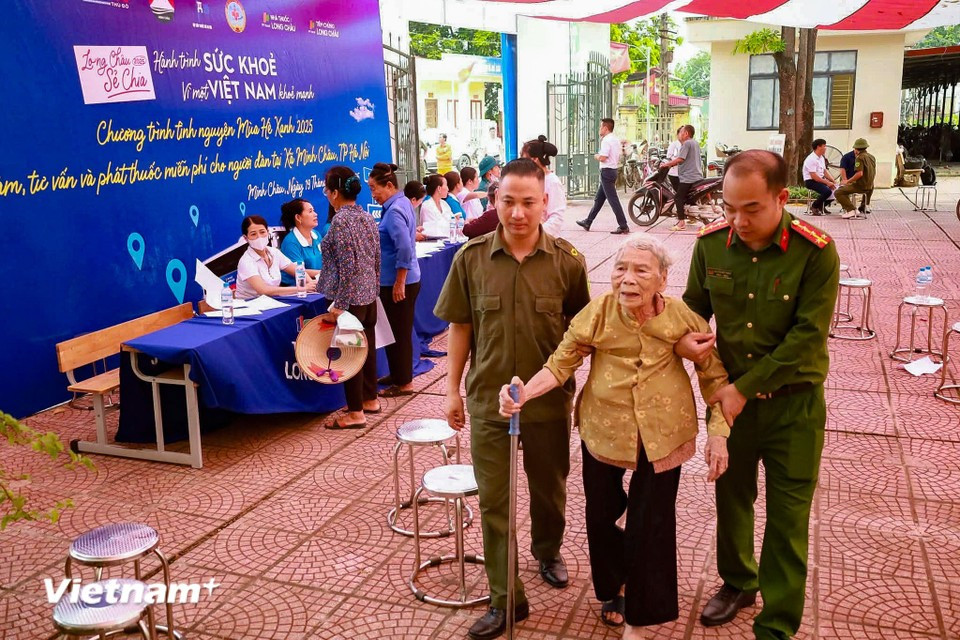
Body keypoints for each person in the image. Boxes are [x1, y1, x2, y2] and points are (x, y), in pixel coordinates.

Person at [499, 233, 733, 640]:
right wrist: (522, 394)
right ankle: (614, 589)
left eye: (641, 270)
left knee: (650, 524)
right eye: (620, 268)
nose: (627, 279)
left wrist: (719, 434)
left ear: (662, 279)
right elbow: (560, 363)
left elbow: (715, 377)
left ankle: (641, 618)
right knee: (601, 516)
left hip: (664, 432)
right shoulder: (599, 312)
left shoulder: (683, 318)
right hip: (603, 429)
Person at [678, 150, 839, 640]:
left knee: (789, 518)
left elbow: (806, 338)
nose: (737, 220)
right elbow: (692, 309)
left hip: (794, 407)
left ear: (781, 197)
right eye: (728, 207)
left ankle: (776, 625)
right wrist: (685, 338)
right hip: (732, 405)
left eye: (751, 209)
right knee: (732, 499)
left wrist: (741, 390)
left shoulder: (816, 251)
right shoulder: (711, 246)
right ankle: (739, 582)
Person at [435, 158, 591, 640]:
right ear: (493, 200)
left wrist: (577, 389)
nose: (518, 212)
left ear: (545, 203)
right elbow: (460, 326)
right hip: (486, 401)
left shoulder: (567, 262)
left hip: (547, 404)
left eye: (528, 202)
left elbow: (581, 333)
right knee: (494, 503)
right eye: (508, 201)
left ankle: (548, 550)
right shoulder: (471, 258)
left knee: (549, 488)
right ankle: (506, 598)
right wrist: (451, 391)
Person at [316, 166, 382, 429]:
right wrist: (374, 289)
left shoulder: (341, 222)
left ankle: (355, 412)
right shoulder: (366, 217)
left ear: (333, 193)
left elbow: (347, 266)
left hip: (350, 298)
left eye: (326, 188)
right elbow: (376, 259)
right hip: (367, 295)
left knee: (350, 352)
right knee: (367, 348)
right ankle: (370, 398)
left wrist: (340, 304)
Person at [367, 162, 422, 398]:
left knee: (399, 333)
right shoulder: (400, 204)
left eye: (374, 188)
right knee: (394, 331)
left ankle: (405, 383)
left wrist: (400, 281)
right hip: (397, 280)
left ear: (389, 185)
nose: (373, 194)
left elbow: (405, 248)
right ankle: (398, 374)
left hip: (399, 283)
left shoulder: (395, 211)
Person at [235, 215, 315, 300]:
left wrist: (311, 283)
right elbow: (263, 290)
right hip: (250, 305)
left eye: (262, 232)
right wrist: (302, 288)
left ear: (268, 232)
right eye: (253, 234)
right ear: (246, 238)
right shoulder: (246, 261)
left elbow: (296, 269)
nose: (259, 237)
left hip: (273, 301)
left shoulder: (274, 252)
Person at [576, 118, 629, 235]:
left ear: (605, 128)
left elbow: (603, 157)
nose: (599, 129)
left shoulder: (606, 140)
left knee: (613, 200)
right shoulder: (615, 139)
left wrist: (596, 156)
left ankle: (623, 225)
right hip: (612, 170)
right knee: (599, 199)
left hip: (607, 171)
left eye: (601, 127)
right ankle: (588, 221)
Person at [659, 124, 703, 232]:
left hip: (688, 177)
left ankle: (681, 223)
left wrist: (666, 164)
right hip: (697, 175)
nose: (679, 134)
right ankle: (691, 216)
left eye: (681, 132)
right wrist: (672, 164)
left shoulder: (686, 143)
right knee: (687, 197)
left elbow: (680, 159)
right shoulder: (695, 143)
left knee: (678, 198)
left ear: (686, 133)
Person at [521, 135, 565, 238]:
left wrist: (536, 235)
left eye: (524, 159)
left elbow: (556, 218)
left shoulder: (552, 182)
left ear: (535, 160)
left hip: (544, 240)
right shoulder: (528, 179)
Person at [278, 199, 324, 285]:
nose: (315, 214)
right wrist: (323, 273)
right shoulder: (291, 242)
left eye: (314, 210)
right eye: (310, 211)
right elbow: (299, 271)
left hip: (317, 282)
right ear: (298, 217)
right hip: (296, 289)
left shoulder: (316, 235)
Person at [835, 138, 875, 220]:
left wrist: (847, 181)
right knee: (844, 189)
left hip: (860, 185)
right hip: (870, 186)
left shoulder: (859, 158)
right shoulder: (871, 157)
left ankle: (851, 210)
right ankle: (861, 207)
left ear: (856, 149)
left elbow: (859, 173)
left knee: (838, 192)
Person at [802, 139, 836, 215]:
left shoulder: (821, 158)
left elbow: (824, 171)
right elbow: (814, 176)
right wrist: (827, 183)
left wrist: (832, 181)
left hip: (820, 180)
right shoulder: (811, 159)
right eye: (824, 146)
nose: (825, 148)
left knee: (836, 190)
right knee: (827, 191)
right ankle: (814, 206)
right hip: (811, 181)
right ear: (818, 147)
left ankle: (821, 206)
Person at [419, 174, 454, 238]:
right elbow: (433, 230)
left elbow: (453, 221)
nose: (448, 189)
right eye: (446, 185)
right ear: (439, 188)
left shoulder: (444, 204)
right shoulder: (427, 206)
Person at [665, 128, 682, 192]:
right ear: (677, 135)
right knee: (678, 192)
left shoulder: (687, 144)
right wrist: (677, 161)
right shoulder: (673, 145)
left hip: (684, 174)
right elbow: (669, 157)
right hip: (674, 173)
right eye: (681, 133)